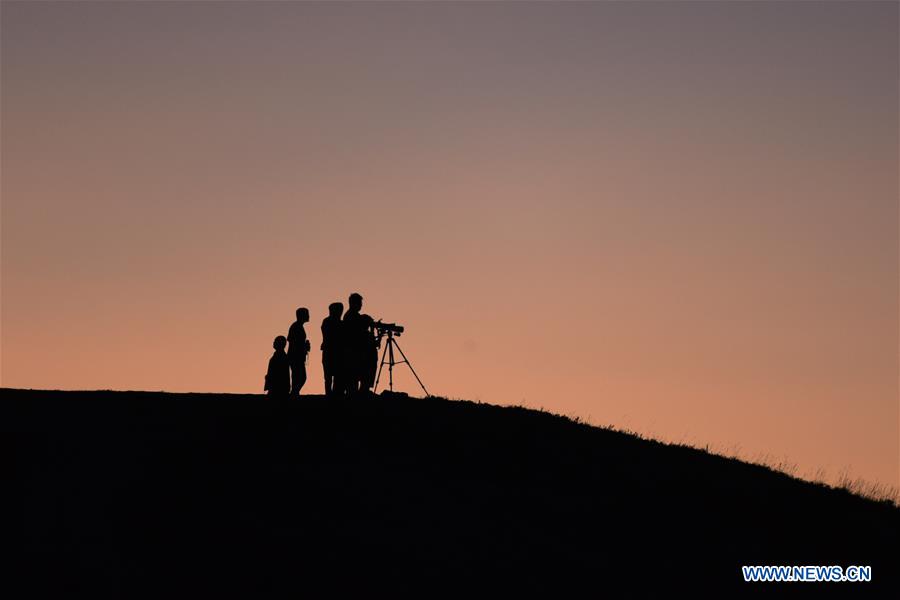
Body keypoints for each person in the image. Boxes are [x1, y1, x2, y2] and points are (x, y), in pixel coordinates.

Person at [342, 292, 377, 397]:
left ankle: (360, 394)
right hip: (356, 354)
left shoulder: (353, 316)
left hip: (357, 353)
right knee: (356, 378)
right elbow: (358, 334)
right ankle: (360, 396)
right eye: (360, 303)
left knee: (357, 378)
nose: (361, 305)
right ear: (354, 303)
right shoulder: (351, 316)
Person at [321, 302, 345, 398]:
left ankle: (331, 395)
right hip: (333, 353)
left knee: (330, 376)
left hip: (329, 352)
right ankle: (332, 395)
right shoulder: (335, 323)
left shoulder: (326, 322)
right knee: (332, 376)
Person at [287, 307, 311, 396]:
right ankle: (294, 393)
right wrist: (304, 346)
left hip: (296, 356)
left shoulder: (297, 326)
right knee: (300, 377)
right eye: (307, 314)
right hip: (295, 356)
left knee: (297, 376)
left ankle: (294, 392)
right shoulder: (296, 326)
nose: (309, 316)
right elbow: (293, 341)